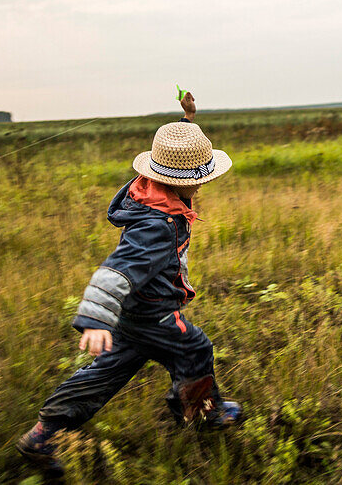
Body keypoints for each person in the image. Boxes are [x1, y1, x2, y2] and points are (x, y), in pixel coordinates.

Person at [16, 92, 241, 475]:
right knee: (194, 346)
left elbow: (177, 160)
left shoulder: (150, 192)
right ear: (176, 182)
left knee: (104, 374)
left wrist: (187, 121)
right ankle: (204, 412)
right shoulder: (156, 225)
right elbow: (117, 270)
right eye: (200, 181)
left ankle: (42, 434)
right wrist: (94, 318)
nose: (202, 187)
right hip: (153, 314)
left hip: (132, 316)